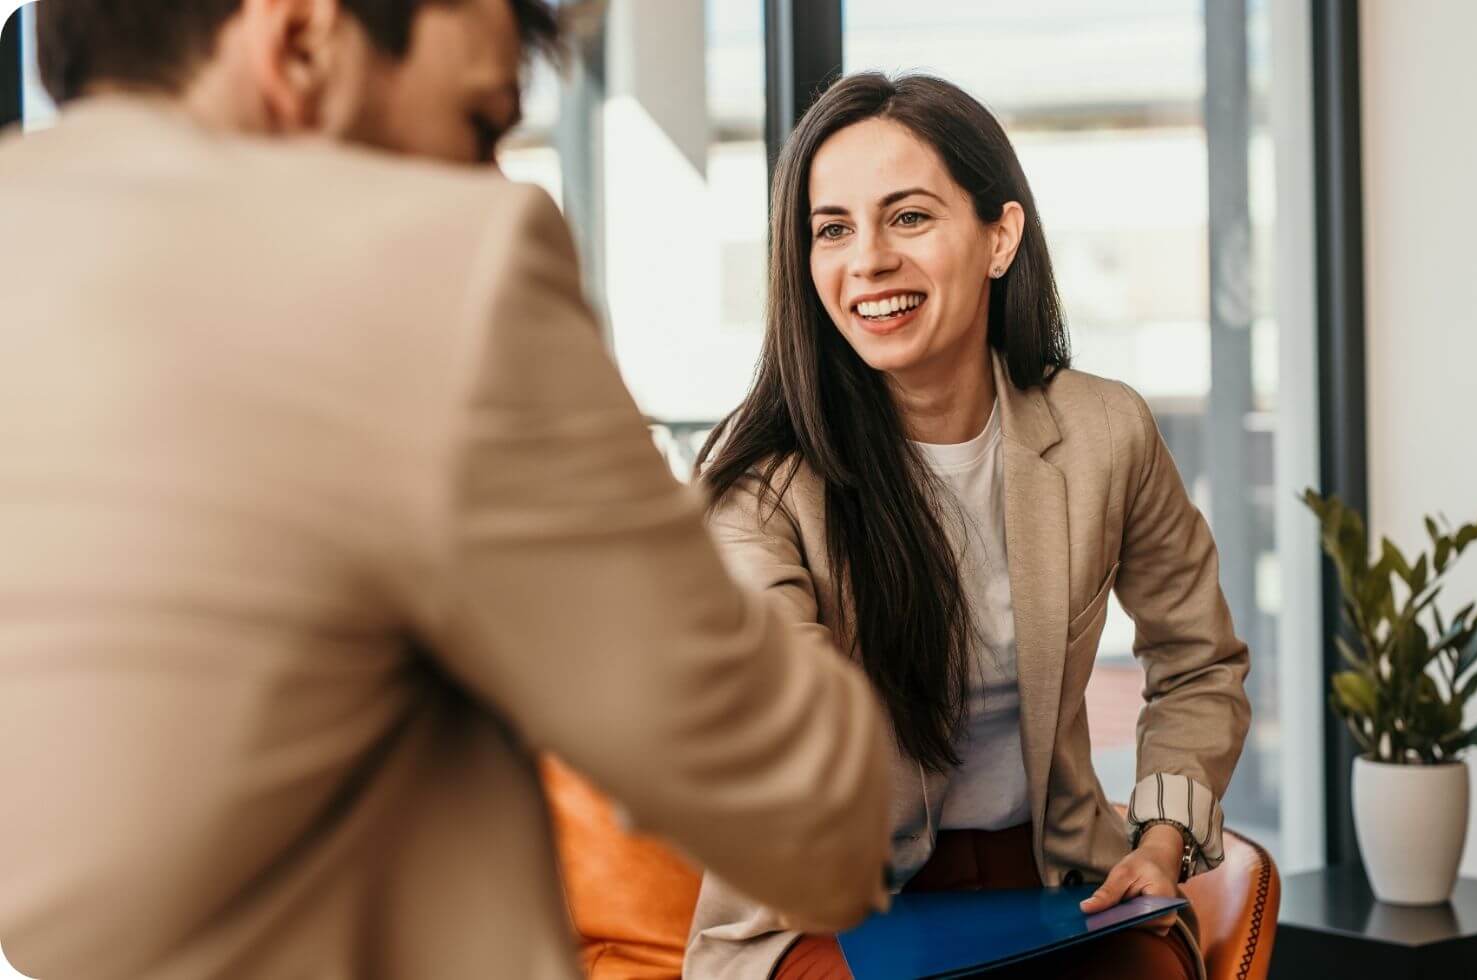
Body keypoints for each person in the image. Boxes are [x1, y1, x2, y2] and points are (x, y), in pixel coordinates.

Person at [0, 2, 893, 978]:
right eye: (480, 124)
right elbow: (814, 818)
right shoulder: (431, 269)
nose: (495, 179)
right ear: (301, 43)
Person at [685, 72, 1252, 980]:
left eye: (907, 217)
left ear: (1000, 237)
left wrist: (1162, 837)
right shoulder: (761, 495)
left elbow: (1199, 660)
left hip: (1055, 877)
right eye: (831, 229)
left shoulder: (1107, 435)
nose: (866, 260)